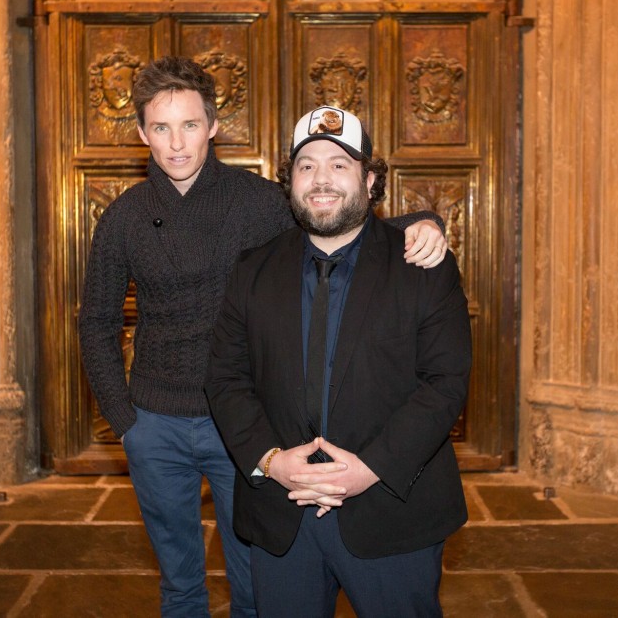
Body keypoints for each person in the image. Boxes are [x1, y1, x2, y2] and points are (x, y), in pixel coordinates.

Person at [78, 58, 449, 617]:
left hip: (241, 423)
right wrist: (126, 422)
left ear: (212, 126)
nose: (176, 143)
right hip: (156, 422)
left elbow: (338, 223)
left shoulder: (258, 200)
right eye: (161, 127)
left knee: (256, 582)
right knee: (178, 583)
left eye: (189, 125)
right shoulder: (123, 217)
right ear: (142, 133)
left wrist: (423, 223)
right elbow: (97, 321)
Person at [205, 105, 472, 617]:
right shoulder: (253, 270)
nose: (321, 179)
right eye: (306, 166)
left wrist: (370, 469)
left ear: (369, 180)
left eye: (339, 164)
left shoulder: (423, 267)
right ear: (291, 182)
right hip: (282, 515)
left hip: (392, 512)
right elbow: (225, 378)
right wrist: (271, 462)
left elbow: (444, 383)